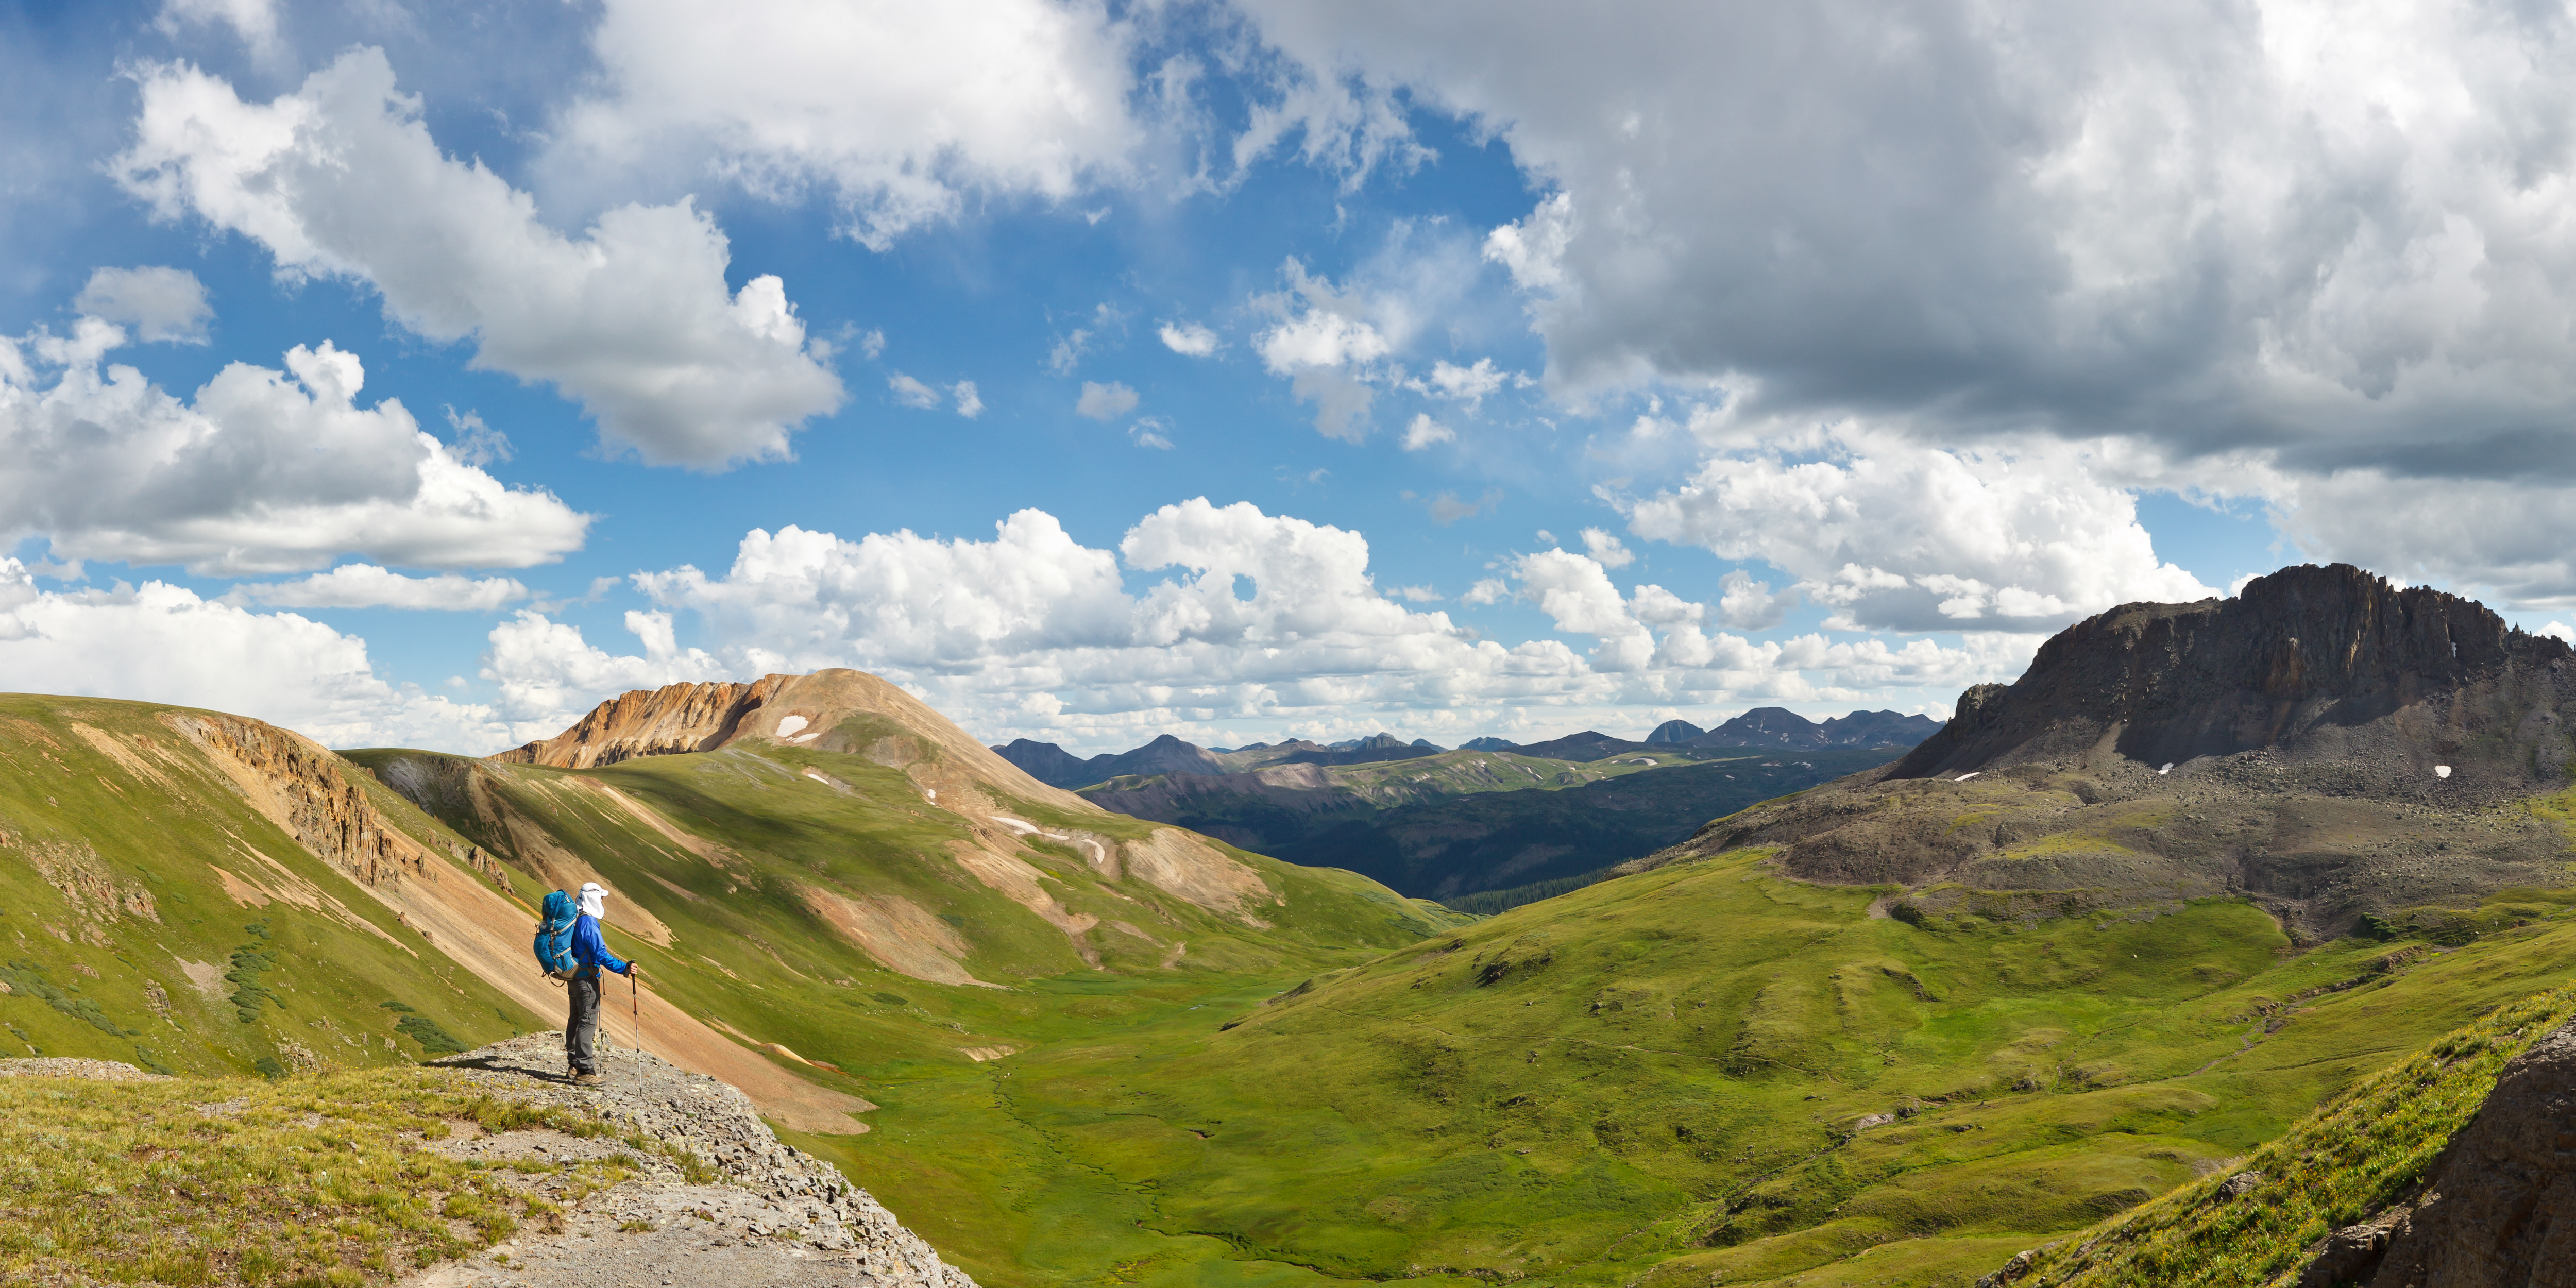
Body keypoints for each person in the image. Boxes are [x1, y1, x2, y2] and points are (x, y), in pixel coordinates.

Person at [565, 882, 640, 1086]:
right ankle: (584, 1071)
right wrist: (624, 969)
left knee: (576, 1019)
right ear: (593, 898)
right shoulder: (588, 922)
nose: (603, 900)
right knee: (587, 1022)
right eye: (601, 897)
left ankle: (574, 1066)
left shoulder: (577, 917)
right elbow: (600, 954)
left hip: (573, 977)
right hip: (586, 981)